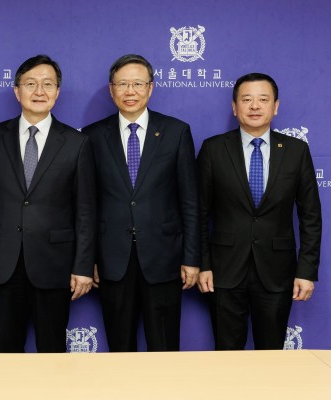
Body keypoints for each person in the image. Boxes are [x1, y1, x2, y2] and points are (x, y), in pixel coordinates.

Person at [0, 55, 96, 353]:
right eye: (30, 84)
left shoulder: (76, 142)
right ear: (17, 91)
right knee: (6, 350)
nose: (39, 91)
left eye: (47, 84)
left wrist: (82, 266)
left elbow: (85, 210)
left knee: (52, 351)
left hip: (55, 264)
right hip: (3, 261)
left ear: (57, 91)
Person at [82, 54, 200, 352]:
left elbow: (189, 201)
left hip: (164, 258)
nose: (130, 91)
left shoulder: (176, 132)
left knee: (164, 347)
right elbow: (87, 204)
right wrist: (88, 259)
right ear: (112, 90)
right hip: (112, 260)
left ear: (151, 88)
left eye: (137, 83)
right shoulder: (92, 136)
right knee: (120, 348)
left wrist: (191, 257)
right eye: (122, 84)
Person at [197, 73, 321, 350]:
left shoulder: (296, 151)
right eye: (247, 99)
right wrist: (203, 264)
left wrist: (306, 270)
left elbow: (311, 216)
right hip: (224, 271)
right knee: (227, 355)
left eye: (263, 99)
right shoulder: (213, 149)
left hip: (277, 271)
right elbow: (199, 214)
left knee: (271, 355)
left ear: (275, 106)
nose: (255, 106)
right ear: (234, 107)